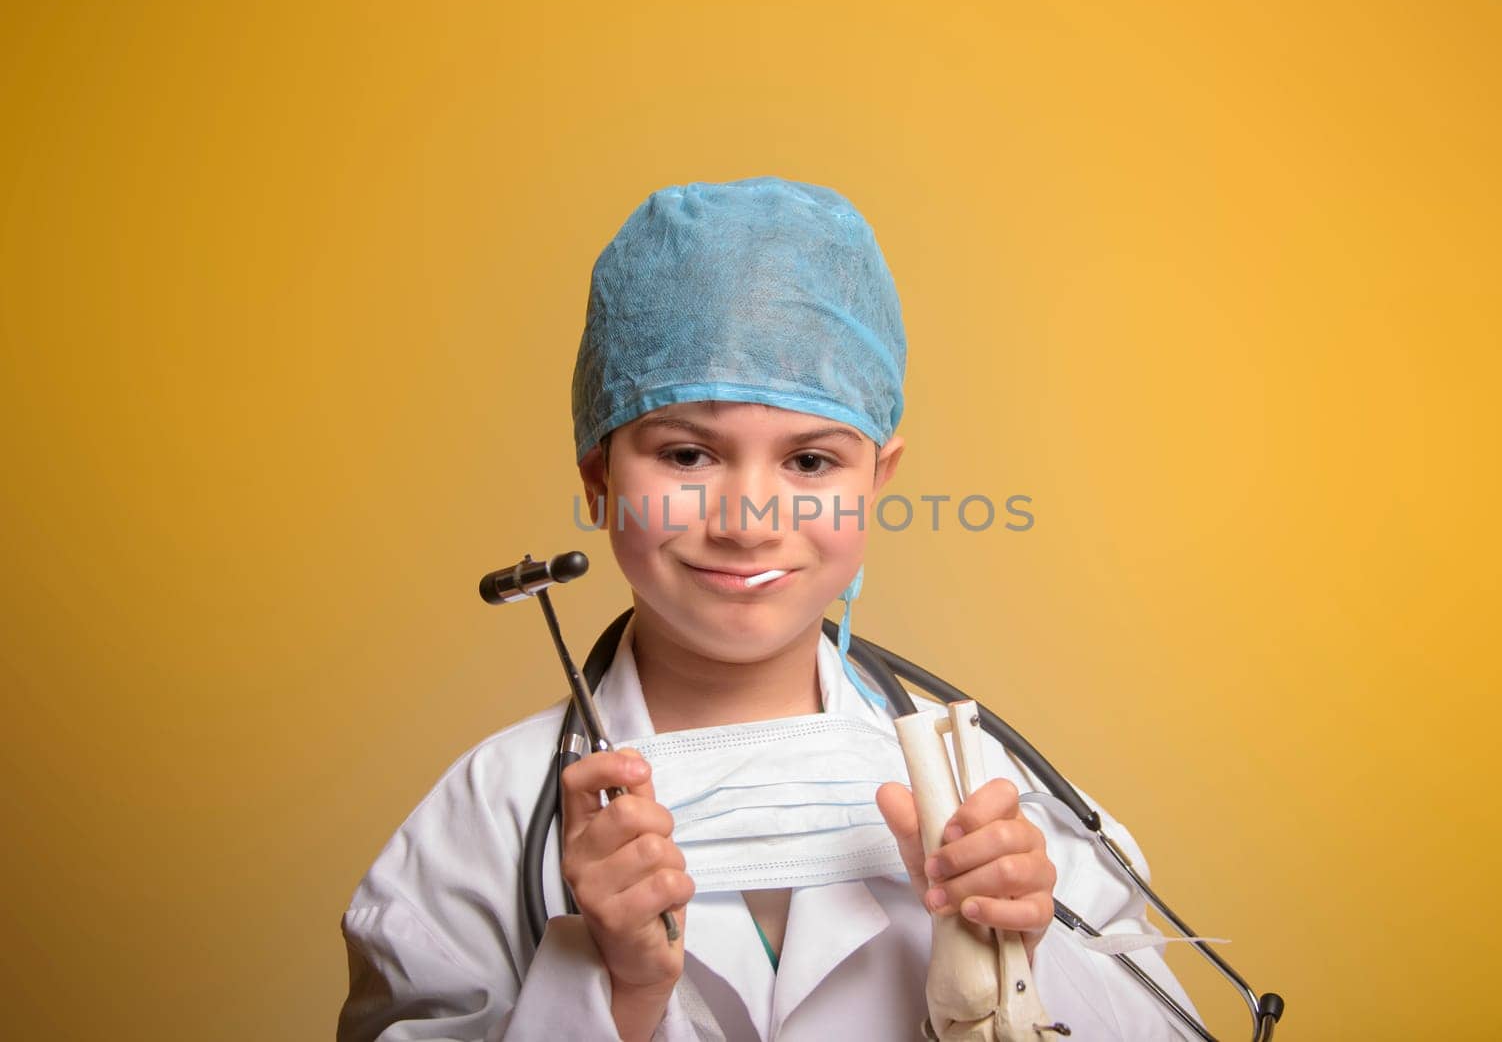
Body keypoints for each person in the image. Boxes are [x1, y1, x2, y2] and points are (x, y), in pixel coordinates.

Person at [338, 177, 1202, 1041]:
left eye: (812, 463)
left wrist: (1021, 956)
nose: (748, 522)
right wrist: (612, 993)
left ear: (877, 482)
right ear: (600, 482)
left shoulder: (1011, 814)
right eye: (686, 453)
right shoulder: (481, 828)